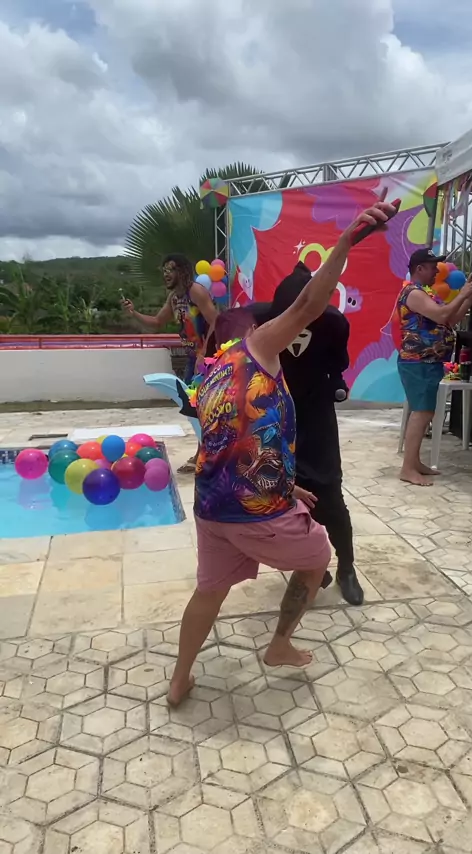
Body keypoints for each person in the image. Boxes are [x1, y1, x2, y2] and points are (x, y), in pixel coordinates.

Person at [167, 196, 396, 706]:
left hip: (211, 507)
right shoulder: (259, 347)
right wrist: (345, 241)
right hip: (252, 512)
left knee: (209, 591)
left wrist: (285, 485)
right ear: (255, 330)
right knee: (316, 558)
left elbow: (232, 443)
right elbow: (309, 304)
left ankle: (180, 678)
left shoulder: (216, 368)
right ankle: (279, 644)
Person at [265, 262, 363, 606]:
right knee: (278, 498)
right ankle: (311, 565)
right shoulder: (262, 322)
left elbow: (337, 365)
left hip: (317, 415)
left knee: (329, 496)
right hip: (277, 417)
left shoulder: (334, 324)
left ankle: (346, 567)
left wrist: (336, 384)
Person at [122, 253, 217, 472]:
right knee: (192, 407)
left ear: (182, 271)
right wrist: (134, 312)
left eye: (171, 269)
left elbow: (215, 321)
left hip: (208, 358)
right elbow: (157, 322)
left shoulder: (196, 292)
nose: (166, 274)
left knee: (202, 408)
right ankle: (203, 453)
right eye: (164, 270)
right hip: (193, 357)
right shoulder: (174, 298)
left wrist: (204, 352)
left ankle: (203, 455)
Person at [397, 248, 472, 487]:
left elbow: (451, 319)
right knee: (421, 413)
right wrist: (462, 293)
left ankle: (415, 462)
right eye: (433, 267)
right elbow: (442, 315)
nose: (437, 271)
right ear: (419, 268)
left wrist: (469, 296)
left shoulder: (427, 293)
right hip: (417, 362)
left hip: (429, 362)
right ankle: (407, 468)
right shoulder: (413, 293)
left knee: (426, 412)